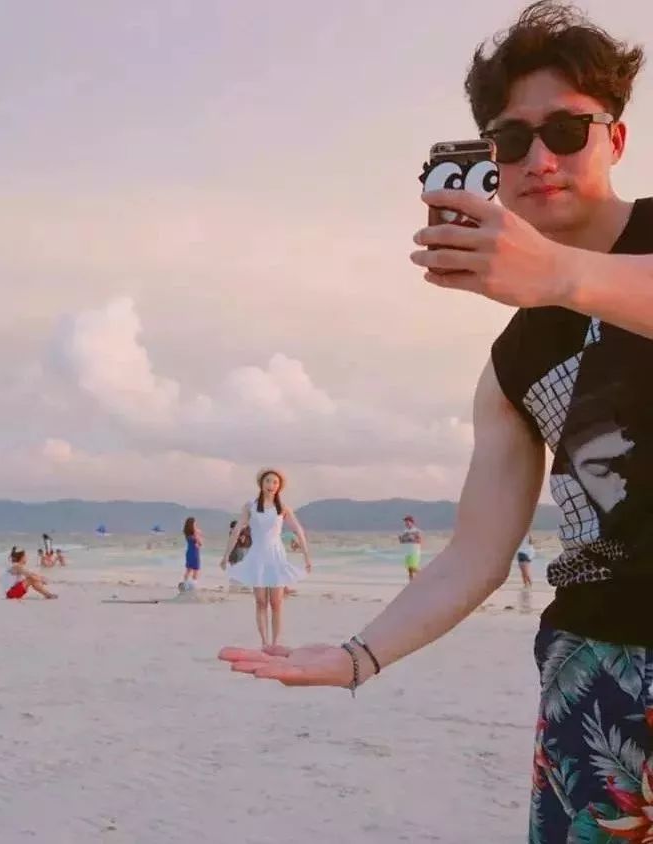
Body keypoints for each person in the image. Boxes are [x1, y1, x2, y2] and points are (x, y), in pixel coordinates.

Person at [219, 5, 653, 841]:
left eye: (568, 130)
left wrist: (563, 274)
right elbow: (476, 554)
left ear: (617, 140)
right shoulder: (513, 361)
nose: (541, 160)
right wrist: (359, 655)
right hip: (595, 674)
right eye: (512, 140)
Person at [220, 469, 312, 649]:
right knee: (261, 602)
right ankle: (264, 642)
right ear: (261, 484)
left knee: (276, 603)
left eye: (275, 482)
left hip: (276, 557)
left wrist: (306, 556)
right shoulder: (251, 506)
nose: (271, 485)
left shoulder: (283, 508)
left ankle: (275, 643)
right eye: (268, 481)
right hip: (258, 556)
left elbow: (298, 530)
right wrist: (226, 555)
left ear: (279, 487)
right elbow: (237, 530)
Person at [398, 515, 422, 580]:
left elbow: (419, 540)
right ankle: (411, 582)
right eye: (405, 522)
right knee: (409, 569)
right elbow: (402, 542)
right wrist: (400, 539)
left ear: (412, 522)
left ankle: (423, 575)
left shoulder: (416, 530)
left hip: (414, 551)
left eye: (407, 522)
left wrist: (412, 539)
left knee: (413, 567)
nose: (406, 523)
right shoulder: (405, 531)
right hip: (407, 551)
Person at [181, 517, 203, 588]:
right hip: (195, 553)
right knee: (195, 570)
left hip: (189, 552)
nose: (196, 524)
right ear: (192, 524)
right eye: (195, 523)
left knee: (188, 570)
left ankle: (185, 583)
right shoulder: (195, 533)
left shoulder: (187, 533)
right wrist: (198, 534)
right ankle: (193, 585)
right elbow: (200, 543)